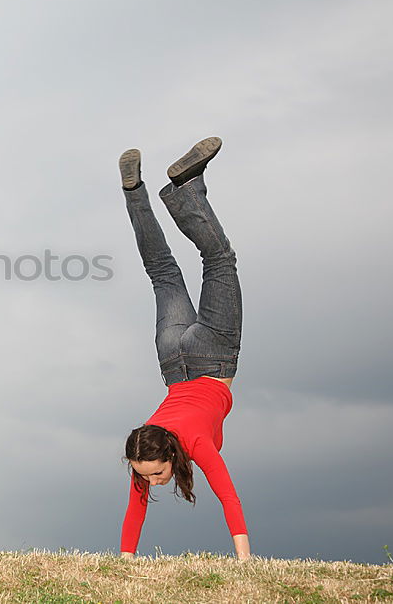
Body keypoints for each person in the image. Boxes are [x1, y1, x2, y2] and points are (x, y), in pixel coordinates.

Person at [116, 138, 250, 560]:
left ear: (167, 453)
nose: (152, 483)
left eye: (154, 475)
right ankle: (135, 193)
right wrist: (124, 563)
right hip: (173, 360)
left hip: (211, 359)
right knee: (161, 273)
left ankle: (187, 186)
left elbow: (229, 496)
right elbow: (134, 512)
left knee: (219, 259)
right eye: (148, 477)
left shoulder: (192, 443)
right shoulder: (146, 444)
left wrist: (245, 560)